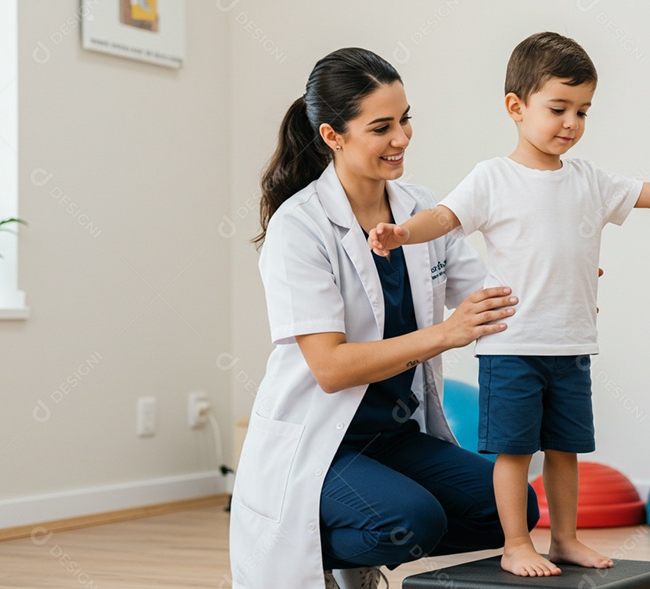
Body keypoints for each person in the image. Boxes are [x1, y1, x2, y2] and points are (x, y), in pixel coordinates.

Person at [369, 32, 650, 578]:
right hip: (512, 348)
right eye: (558, 108)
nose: (571, 123)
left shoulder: (589, 180)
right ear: (516, 107)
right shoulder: (493, 177)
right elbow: (443, 217)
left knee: (566, 450)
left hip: (571, 347)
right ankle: (517, 544)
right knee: (515, 453)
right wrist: (403, 233)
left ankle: (564, 539)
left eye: (583, 111)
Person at [228, 47, 539, 589]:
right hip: (322, 442)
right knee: (411, 521)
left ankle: (360, 531)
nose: (401, 138)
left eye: (405, 119)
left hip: (393, 434)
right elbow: (331, 368)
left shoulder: (419, 209)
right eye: (381, 127)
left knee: (512, 507)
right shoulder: (299, 227)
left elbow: (489, 296)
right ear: (333, 136)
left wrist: (557, 286)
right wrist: (445, 334)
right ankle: (328, 558)